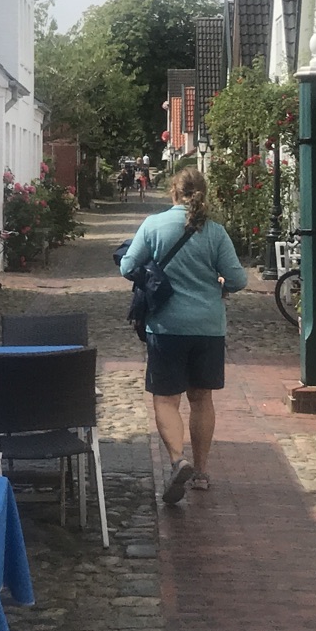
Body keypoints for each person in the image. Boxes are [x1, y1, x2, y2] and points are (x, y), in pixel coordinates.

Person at [119, 165, 247, 504]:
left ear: (173, 192)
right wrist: (218, 281)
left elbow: (127, 267)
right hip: (208, 327)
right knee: (202, 399)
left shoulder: (154, 225)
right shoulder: (215, 232)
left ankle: (178, 460)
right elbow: (238, 280)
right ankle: (201, 472)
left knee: (165, 399)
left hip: (166, 326)